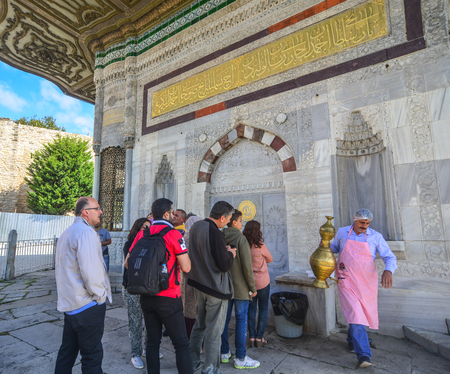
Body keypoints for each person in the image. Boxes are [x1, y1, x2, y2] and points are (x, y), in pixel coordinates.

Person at [125, 198, 193, 374]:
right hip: (169, 297)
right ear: (166, 214)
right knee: (181, 344)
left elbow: (127, 263)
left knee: (152, 343)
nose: (173, 214)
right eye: (172, 212)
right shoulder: (174, 235)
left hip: (146, 296)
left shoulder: (143, 233)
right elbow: (186, 267)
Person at [331, 209, 397, 369]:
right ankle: (364, 355)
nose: (364, 226)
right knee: (355, 313)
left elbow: (390, 256)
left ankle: (352, 342)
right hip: (345, 279)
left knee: (358, 313)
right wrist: (324, 244)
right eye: (362, 223)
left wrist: (388, 270)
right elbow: (333, 248)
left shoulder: (376, 236)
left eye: (367, 223)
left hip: (366, 282)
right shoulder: (342, 232)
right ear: (354, 220)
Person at [54, 197, 112, 374]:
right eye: (97, 208)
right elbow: (91, 272)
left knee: (67, 353)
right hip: (86, 306)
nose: (101, 212)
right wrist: (99, 296)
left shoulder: (68, 232)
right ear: (86, 212)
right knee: (92, 357)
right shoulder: (86, 233)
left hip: (71, 305)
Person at [187, 201, 236, 374]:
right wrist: (230, 253)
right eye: (228, 219)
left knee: (199, 325)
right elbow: (223, 265)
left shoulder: (195, 226)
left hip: (199, 284)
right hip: (215, 288)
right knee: (214, 330)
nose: (228, 222)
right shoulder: (215, 232)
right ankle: (210, 368)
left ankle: (192, 362)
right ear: (222, 217)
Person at [221, 211, 259, 369]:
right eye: (240, 220)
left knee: (224, 320)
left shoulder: (220, 237)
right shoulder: (241, 239)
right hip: (241, 288)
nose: (242, 223)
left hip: (225, 286)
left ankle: (224, 353)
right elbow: (247, 267)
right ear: (234, 222)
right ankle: (241, 357)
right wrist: (252, 287)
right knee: (241, 321)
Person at [122, 217, 152, 369]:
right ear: (137, 228)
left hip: (146, 288)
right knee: (135, 322)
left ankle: (147, 348)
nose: (147, 230)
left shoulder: (150, 244)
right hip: (132, 288)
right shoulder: (130, 244)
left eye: (149, 227)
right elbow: (129, 265)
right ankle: (135, 353)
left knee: (149, 321)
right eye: (144, 227)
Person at [243, 220, 273, 349]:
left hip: (249, 283)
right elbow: (270, 259)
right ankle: (259, 337)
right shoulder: (260, 245)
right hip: (263, 282)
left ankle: (251, 337)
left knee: (251, 309)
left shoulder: (243, 245)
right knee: (263, 309)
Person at [181, 215, 203, 339]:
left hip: (185, 278)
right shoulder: (194, 239)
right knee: (194, 310)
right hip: (194, 278)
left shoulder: (184, 238)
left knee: (188, 308)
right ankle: (196, 342)